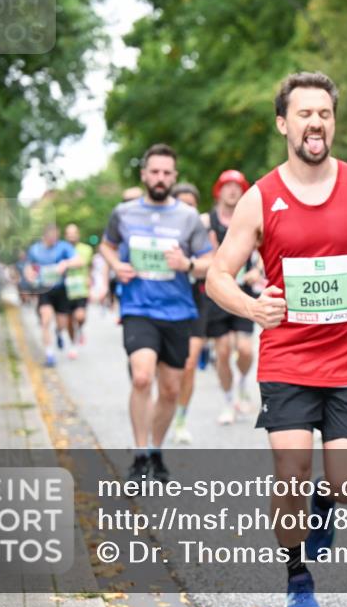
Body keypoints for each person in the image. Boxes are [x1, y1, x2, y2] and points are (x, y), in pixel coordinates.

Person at [206, 72, 347, 607]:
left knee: (346, 487)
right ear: (283, 123)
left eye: (324, 113)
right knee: (289, 471)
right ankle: (297, 575)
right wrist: (252, 307)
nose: (315, 122)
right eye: (304, 113)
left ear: (333, 122)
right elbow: (218, 275)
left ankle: (328, 502)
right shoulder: (260, 197)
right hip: (288, 358)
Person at [99, 144, 213, 486]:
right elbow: (106, 244)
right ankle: (138, 455)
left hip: (178, 311)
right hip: (138, 308)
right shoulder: (124, 213)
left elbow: (211, 262)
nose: (160, 178)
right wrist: (116, 264)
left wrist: (188, 264)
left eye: (167, 173)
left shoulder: (189, 218)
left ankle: (155, 450)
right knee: (142, 377)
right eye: (155, 172)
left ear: (174, 177)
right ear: (144, 174)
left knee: (170, 389)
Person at [204, 169, 260, 424]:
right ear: (219, 190)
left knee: (246, 350)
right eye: (227, 185)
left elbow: (264, 254)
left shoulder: (251, 218)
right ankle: (228, 401)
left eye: (238, 186)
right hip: (217, 294)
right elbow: (199, 256)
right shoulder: (207, 221)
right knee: (223, 352)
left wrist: (256, 271)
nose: (232, 190)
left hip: (244, 292)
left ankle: (243, 384)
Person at [169, 183, 211, 445]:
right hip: (165, 302)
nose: (187, 210)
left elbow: (214, 264)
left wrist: (190, 264)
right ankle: (164, 406)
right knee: (166, 371)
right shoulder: (161, 232)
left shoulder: (201, 235)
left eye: (192, 205)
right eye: (182, 204)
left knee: (189, 364)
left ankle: (181, 420)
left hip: (196, 300)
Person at [24, 224, 81, 366]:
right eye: (51, 236)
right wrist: (29, 275)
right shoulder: (35, 249)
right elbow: (28, 266)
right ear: (45, 235)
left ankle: (58, 332)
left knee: (62, 323)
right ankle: (49, 354)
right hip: (45, 290)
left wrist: (66, 263)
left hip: (61, 290)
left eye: (56, 236)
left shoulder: (63, 247)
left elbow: (79, 260)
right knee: (45, 320)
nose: (54, 239)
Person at [63, 224, 93, 348]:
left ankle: (80, 329)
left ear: (78, 234)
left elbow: (81, 262)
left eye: (74, 233)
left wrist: (64, 263)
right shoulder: (61, 249)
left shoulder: (86, 249)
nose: (72, 236)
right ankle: (73, 343)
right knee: (69, 321)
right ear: (65, 236)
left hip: (81, 289)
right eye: (69, 234)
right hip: (66, 290)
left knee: (80, 316)